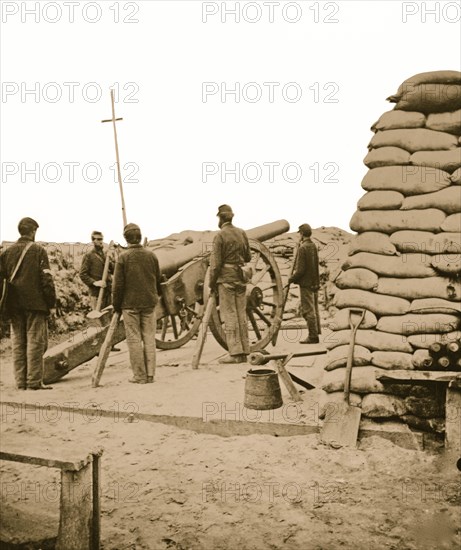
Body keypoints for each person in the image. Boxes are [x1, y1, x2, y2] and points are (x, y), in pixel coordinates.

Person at [0, 217, 56, 390]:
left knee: (18, 343)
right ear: (33, 231)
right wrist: (51, 304)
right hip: (35, 304)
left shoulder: (6, 254)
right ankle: (34, 382)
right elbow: (46, 279)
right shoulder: (39, 251)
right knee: (35, 343)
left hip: (13, 305)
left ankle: (20, 382)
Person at [112, 223, 162, 384]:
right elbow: (158, 279)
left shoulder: (123, 258)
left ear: (126, 239)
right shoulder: (151, 256)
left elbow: (117, 285)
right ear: (139, 237)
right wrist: (156, 296)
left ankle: (139, 376)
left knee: (133, 340)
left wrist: (116, 306)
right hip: (149, 303)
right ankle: (150, 375)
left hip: (130, 305)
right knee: (149, 338)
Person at [209, 205, 252, 364]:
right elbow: (248, 256)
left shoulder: (220, 236)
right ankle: (245, 351)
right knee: (241, 314)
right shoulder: (241, 233)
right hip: (241, 278)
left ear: (220, 219)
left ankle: (234, 354)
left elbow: (216, 264)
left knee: (230, 315)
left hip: (226, 280)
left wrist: (212, 283)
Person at [288, 223, 320, 344]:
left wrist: (291, 278)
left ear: (301, 234)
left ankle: (313, 336)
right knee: (314, 309)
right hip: (314, 283)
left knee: (308, 310)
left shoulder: (303, 248)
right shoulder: (313, 246)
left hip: (306, 284)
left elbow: (300, 270)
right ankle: (316, 333)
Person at [79, 230, 114, 310]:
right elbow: (82, 274)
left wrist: (111, 258)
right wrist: (95, 283)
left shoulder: (105, 255)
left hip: (107, 293)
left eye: (101, 239)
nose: (100, 241)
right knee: (97, 319)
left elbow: (113, 270)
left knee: (107, 318)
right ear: (93, 241)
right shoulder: (89, 256)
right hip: (97, 294)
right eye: (98, 239)